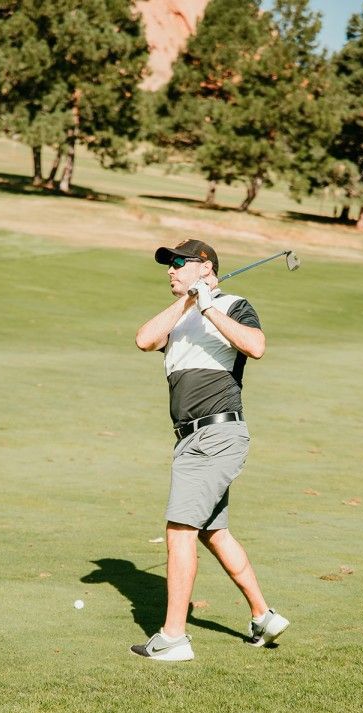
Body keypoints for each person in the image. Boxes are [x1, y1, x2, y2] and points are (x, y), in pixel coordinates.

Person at [131, 238, 289, 662]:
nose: (170, 270)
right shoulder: (179, 318)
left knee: (179, 530)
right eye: (169, 264)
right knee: (211, 532)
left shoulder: (234, 304)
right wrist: (187, 304)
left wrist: (208, 306)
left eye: (179, 263)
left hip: (216, 435)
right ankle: (263, 616)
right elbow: (144, 339)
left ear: (205, 267)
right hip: (190, 439)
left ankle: (173, 638)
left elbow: (255, 347)